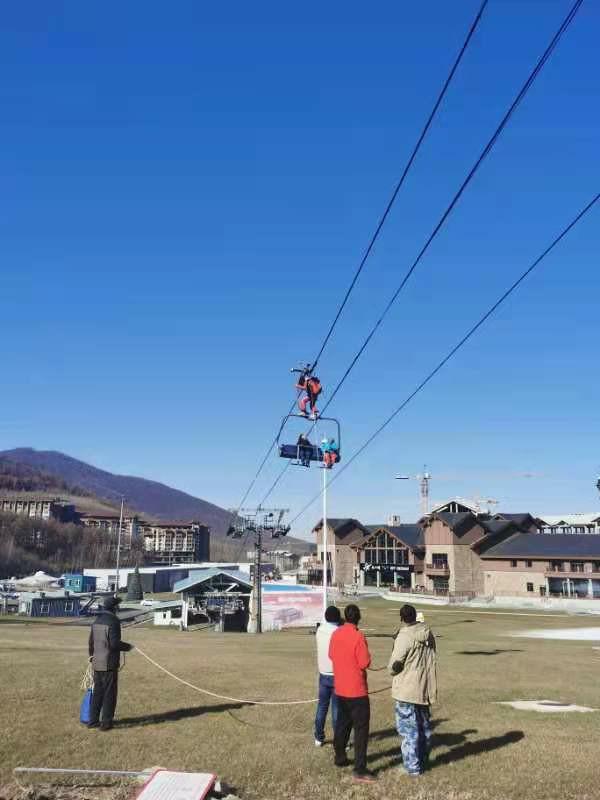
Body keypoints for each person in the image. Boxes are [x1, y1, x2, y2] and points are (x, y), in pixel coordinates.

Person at [388, 604, 437, 776]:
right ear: (415, 616)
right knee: (424, 727)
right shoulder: (428, 633)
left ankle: (412, 767)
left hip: (407, 690)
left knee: (409, 730)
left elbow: (393, 667)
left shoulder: (404, 637)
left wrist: (396, 644)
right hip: (423, 687)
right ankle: (424, 761)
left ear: (401, 618)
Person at [328, 604, 376, 784]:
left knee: (342, 726)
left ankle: (340, 757)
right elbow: (364, 662)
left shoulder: (336, 634)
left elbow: (331, 655)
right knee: (361, 731)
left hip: (340, 688)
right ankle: (360, 769)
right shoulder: (358, 636)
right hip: (357, 691)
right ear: (358, 618)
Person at [88, 596, 132, 731]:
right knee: (109, 694)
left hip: (97, 662)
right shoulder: (114, 621)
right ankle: (106, 723)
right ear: (114, 608)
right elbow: (114, 644)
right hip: (109, 664)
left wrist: (91, 656)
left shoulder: (97, 620)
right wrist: (128, 647)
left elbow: (91, 642)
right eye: (118, 606)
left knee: (97, 693)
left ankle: (93, 721)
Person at [314, 605, 342, 746]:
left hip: (323, 674)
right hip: (337, 674)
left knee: (322, 707)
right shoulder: (338, 631)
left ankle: (318, 737)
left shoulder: (320, 630)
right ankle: (338, 738)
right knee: (336, 710)